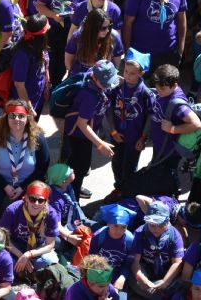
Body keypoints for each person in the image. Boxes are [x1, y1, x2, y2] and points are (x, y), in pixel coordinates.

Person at [0, 100, 50, 212]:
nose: (17, 119)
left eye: (21, 116)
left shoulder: (38, 138)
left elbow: (42, 168)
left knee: (32, 205)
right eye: (12, 116)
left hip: (27, 183)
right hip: (0, 181)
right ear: (6, 118)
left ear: (27, 118)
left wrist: (23, 187)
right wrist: (5, 185)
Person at [60, 60, 117, 199]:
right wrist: (100, 144)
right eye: (105, 83)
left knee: (81, 167)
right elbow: (82, 124)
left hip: (85, 134)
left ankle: (74, 188)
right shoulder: (89, 96)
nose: (108, 86)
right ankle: (71, 199)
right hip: (78, 136)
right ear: (95, 78)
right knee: (78, 169)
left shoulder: (94, 79)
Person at [36, 0, 89, 87]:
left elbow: (88, 10)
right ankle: (50, 85)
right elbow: (40, 5)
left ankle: (66, 85)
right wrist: (53, 15)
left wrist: (77, 17)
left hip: (73, 31)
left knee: (70, 58)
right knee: (53, 59)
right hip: (53, 30)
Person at [106, 49, 152, 194]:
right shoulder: (117, 88)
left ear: (141, 73)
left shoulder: (145, 93)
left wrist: (143, 138)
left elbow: (150, 117)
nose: (127, 76)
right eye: (126, 71)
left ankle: (128, 192)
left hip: (135, 138)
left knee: (130, 167)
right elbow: (109, 109)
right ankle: (119, 188)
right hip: (117, 135)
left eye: (132, 73)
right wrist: (113, 131)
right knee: (116, 163)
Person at [149, 64, 201, 173]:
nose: (158, 90)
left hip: (169, 151)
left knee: (165, 175)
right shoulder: (165, 93)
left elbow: (196, 124)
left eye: (162, 88)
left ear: (175, 85)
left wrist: (172, 129)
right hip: (160, 146)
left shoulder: (177, 105)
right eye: (157, 87)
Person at [128, 201, 184, 299]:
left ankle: (156, 294)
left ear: (168, 221)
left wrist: (165, 282)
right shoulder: (140, 233)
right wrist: (141, 278)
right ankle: (161, 295)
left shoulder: (174, 235)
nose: (156, 229)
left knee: (182, 279)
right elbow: (135, 261)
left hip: (166, 272)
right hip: (146, 269)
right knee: (130, 276)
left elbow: (177, 263)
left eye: (161, 225)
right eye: (152, 225)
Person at [89, 203, 137, 291]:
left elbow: (128, 263)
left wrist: (122, 277)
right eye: (115, 225)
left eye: (123, 227)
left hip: (118, 275)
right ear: (108, 223)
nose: (119, 230)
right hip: (98, 271)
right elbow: (92, 259)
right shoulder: (99, 236)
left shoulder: (130, 240)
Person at [10, 15, 50, 119]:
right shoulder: (22, 55)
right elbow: (19, 85)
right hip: (23, 106)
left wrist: (47, 86)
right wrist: (29, 108)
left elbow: (45, 65)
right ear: (42, 35)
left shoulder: (41, 48)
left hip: (38, 99)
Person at [65, 8, 124, 76]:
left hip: (103, 77)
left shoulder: (114, 37)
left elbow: (116, 64)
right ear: (93, 28)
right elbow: (68, 60)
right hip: (81, 76)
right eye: (103, 28)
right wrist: (75, 77)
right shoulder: (78, 37)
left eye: (109, 26)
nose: (107, 30)